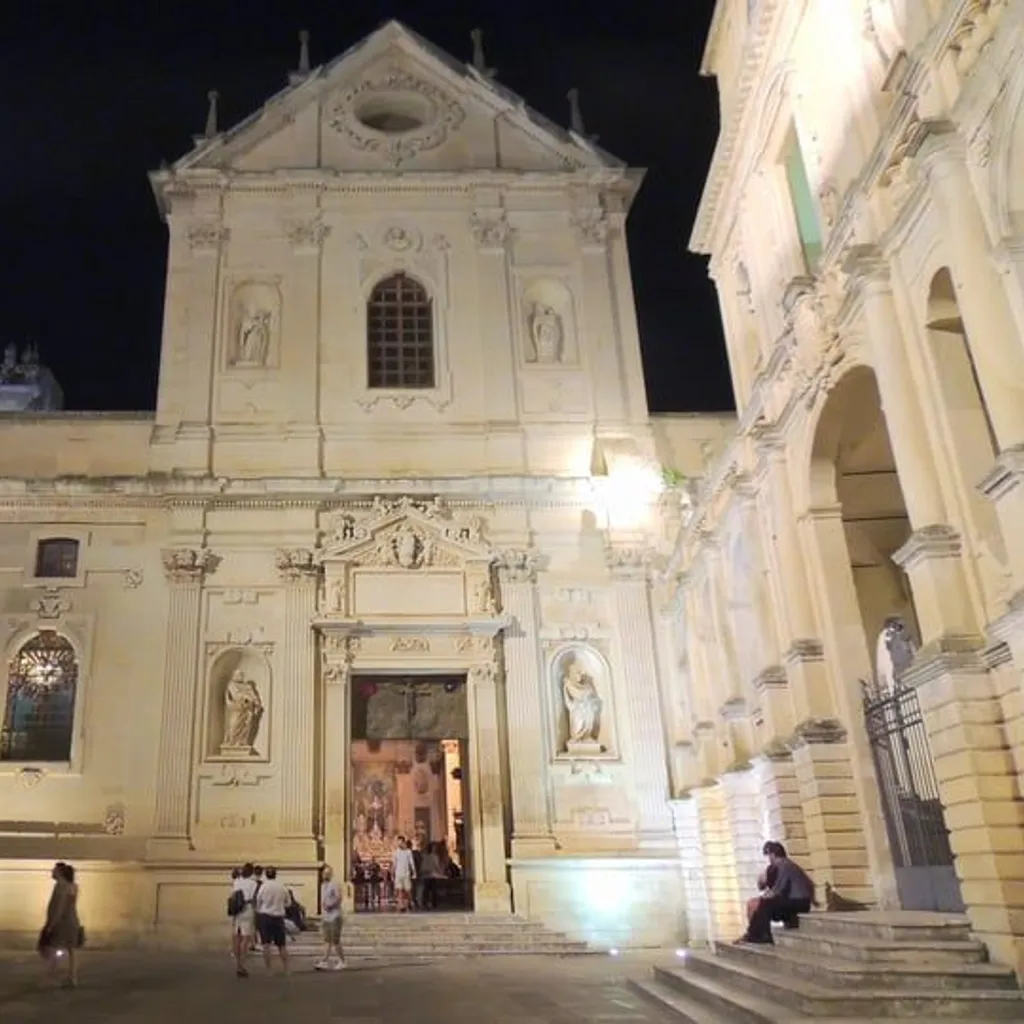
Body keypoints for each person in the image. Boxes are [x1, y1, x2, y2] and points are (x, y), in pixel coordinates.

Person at [741, 841, 815, 944]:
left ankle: (760, 935)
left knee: (764, 904)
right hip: (800, 901)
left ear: (773, 854)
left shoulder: (783, 865)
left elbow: (778, 889)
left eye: (769, 856)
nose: (769, 859)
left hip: (798, 903)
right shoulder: (789, 865)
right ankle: (754, 934)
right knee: (764, 904)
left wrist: (764, 898)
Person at [38, 862, 82, 988]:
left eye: (54, 870)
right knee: (71, 950)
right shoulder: (73, 886)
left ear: (60, 872)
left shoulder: (60, 886)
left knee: (52, 949)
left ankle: (52, 978)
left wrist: (51, 924)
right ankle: (72, 978)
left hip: (62, 922)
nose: (52, 872)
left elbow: (59, 906)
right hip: (73, 920)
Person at [254, 866, 292, 974]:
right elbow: (288, 903)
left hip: (265, 917)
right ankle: (286, 968)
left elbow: (258, 901)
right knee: (282, 945)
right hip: (278, 917)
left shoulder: (263, 887)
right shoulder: (282, 887)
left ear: (266, 875)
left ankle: (268, 969)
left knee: (266, 944)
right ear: (276, 874)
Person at [230, 862, 259, 977]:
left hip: (237, 910)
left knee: (236, 937)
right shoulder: (253, 883)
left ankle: (238, 964)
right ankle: (242, 965)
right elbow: (254, 898)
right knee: (245, 938)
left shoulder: (237, 881)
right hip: (248, 908)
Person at [316, 864, 346, 970]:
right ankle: (324, 961)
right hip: (326, 916)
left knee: (335, 940)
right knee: (327, 940)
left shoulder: (335, 884)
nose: (325, 875)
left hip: (335, 916)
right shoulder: (323, 885)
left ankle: (342, 961)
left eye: (328, 873)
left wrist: (330, 905)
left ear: (331, 874)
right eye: (324, 873)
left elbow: (339, 898)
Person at [392, 836, 416, 913]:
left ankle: (410, 902)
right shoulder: (396, 852)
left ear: (403, 842)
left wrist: (414, 872)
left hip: (406, 873)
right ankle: (400, 906)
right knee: (399, 891)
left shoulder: (408, 852)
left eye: (400, 842)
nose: (399, 843)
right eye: (398, 842)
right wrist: (393, 873)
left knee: (408, 891)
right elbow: (394, 864)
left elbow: (411, 863)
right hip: (398, 873)